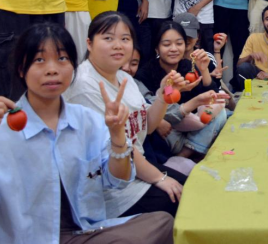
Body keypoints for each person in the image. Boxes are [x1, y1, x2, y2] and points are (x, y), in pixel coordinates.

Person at [0, 23, 174, 243]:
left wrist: (117, 137)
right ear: (21, 69)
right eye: (39, 60)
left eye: (62, 59)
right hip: (29, 238)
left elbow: (119, 180)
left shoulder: (88, 121)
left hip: (85, 231)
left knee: (163, 222)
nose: (52, 69)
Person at [64, 12, 190, 218]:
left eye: (125, 39)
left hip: (136, 168)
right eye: (108, 38)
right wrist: (159, 178)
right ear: (89, 43)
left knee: (193, 187)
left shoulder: (123, 77)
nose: (118, 45)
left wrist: (162, 95)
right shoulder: (84, 87)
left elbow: (147, 126)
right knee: (182, 202)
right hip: (109, 188)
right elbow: (118, 145)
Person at [136, 20, 228, 160]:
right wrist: (177, 92)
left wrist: (204, 70)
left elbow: (211, 95)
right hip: (169, 131)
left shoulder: (188, 66)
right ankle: (193, 150)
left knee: (220, 110)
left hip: (193, 126)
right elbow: (155, 110)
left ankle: (187, 152)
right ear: (157, 48)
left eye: (179, 43)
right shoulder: (146, 73)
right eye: (166, 44)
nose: (174, 49)